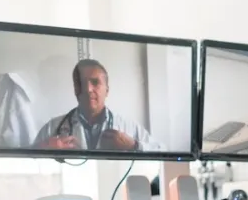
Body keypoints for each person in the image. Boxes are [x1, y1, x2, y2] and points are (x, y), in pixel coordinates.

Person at [32, 59, 161, 152]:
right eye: (81, 83)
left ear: (107, 90)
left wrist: (134, 145)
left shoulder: (129, 127)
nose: (88, 89)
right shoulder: (52, 128)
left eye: (95, 82)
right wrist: (45, 147)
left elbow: (162, 152)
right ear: (75, 89)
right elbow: (26, 159)